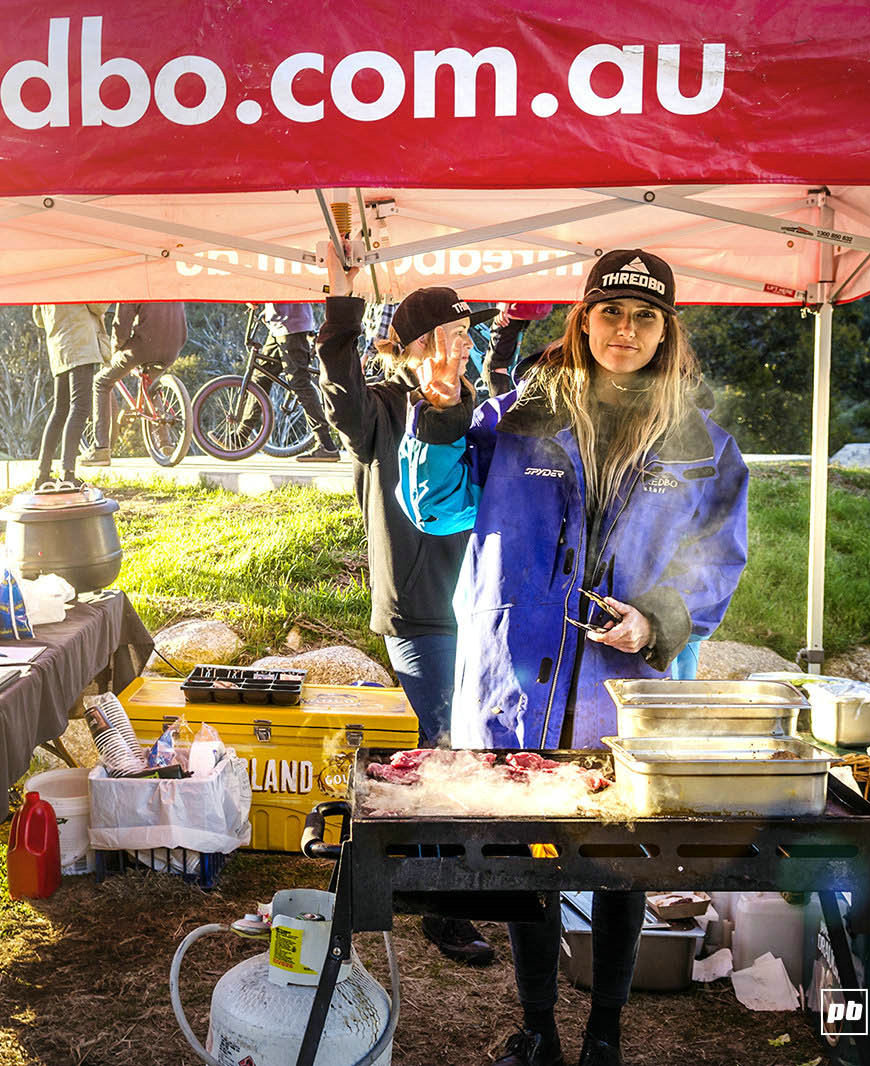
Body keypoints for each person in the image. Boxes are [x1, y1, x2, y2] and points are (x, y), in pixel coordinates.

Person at [399, 249, 749, 1066]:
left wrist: (659, 618)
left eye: (644, 316)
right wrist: (441, 410)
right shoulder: (521, 413)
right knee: (531, 865)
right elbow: (436, 506)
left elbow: (717, 557)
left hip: (625, 699)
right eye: (610, 312)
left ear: (667, 331)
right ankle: (538, 1028)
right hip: (513, 680)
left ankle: (605, 1035)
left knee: (623, 870)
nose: (625, 330)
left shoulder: (701, 443)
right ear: (583, 318)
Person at [316, 261, 495, 968]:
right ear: (416, 346)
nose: (462, 347)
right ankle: (442, 908)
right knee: (438, 750)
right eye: (450, 334)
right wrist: (342, 309)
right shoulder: (383, 408)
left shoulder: (482, 405)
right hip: (420, 610)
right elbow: (339, 392)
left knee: (470, 750)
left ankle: (455, 881)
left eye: (468, 333)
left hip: (482, 606)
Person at [83, 302, 187, 467]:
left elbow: (121, 325)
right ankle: (165, 444)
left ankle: (100, 449)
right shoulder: (171, 286)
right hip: (173, 347)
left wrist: (115, 349)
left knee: (100, 383)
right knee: (151, 386)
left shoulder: (134, 285)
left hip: (143, 347)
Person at [35, 303, 110, 485]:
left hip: (59, 348)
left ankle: (42, 474)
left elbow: (38, 319)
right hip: (80, 343)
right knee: (80, 407)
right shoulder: (75, 276)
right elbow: (98, 306)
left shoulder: (42, 278)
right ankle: (67, 474)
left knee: (60, 411)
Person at [259, 303, 339, 462]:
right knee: (260, 376)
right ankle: (240, 437)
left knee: (299, 383)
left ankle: (326, 444)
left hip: (291, 325)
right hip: (278, 324)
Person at [484, 302, 556, 398]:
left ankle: (503, 410)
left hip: (513, 309)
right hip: (536, 307)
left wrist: (504, 302)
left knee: (495, 365)